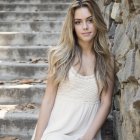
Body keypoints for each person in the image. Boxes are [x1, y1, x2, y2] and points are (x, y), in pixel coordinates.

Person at [31, 0, 114, 140]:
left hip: (87, 132)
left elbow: (106, 102)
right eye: (78, 22)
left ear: (97, 21)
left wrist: (88, 136)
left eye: (90, 20)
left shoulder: (107, 60)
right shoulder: (60, 56)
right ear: (72, 26)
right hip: (56, 131)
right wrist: (38, 138)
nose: (85, 27)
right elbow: (48, 100)